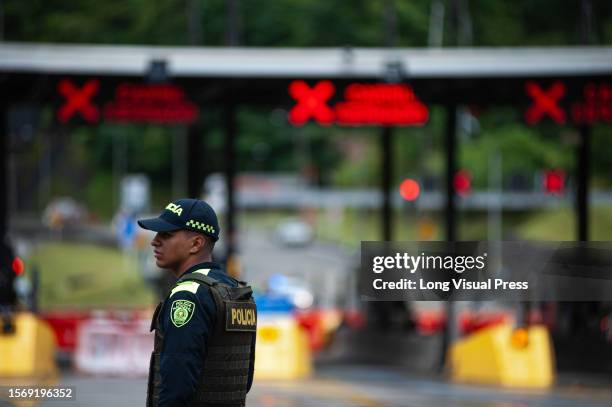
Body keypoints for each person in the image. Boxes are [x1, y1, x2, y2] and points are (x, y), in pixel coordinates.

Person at [138, 198, 256, 407]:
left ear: (196, 243)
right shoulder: (235, 292)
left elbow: (177, 387)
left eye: (166, 234)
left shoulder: (187, 295)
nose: (155, 241)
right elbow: (243, 379)